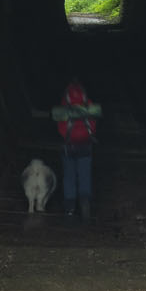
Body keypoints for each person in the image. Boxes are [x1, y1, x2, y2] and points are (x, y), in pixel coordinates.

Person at [53, 78, 100, 220]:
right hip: (85, 145)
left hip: (69, 146)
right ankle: (85, 202)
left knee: (69, 176)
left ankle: (70, 207)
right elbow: (93, 125)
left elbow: (60, 128)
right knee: (84, 174)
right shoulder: (87, 104)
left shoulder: (64, 105)